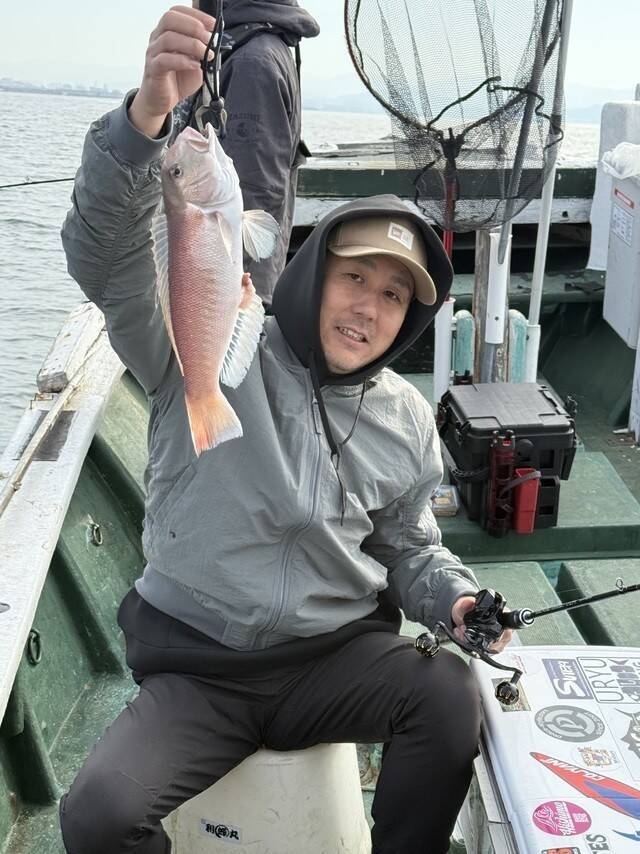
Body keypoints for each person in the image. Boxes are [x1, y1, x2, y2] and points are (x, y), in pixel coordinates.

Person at [58, 6, 513, 853]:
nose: (367, 308)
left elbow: (408, 547)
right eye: (355, 278)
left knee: (449, 698)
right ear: (312, 273)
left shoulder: (406, 419)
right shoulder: (206, 346)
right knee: (97, 816)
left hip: (331, 660)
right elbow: (103, 252)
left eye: (393, 296)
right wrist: (146, 119)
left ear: (409, 319)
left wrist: (452, 597)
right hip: (199, 668)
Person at [170, 0, 319, 307]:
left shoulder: (253, 63)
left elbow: (255, 192)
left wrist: (231, 298)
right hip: (222, 284)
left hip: (226, 293)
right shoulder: (245, 45)